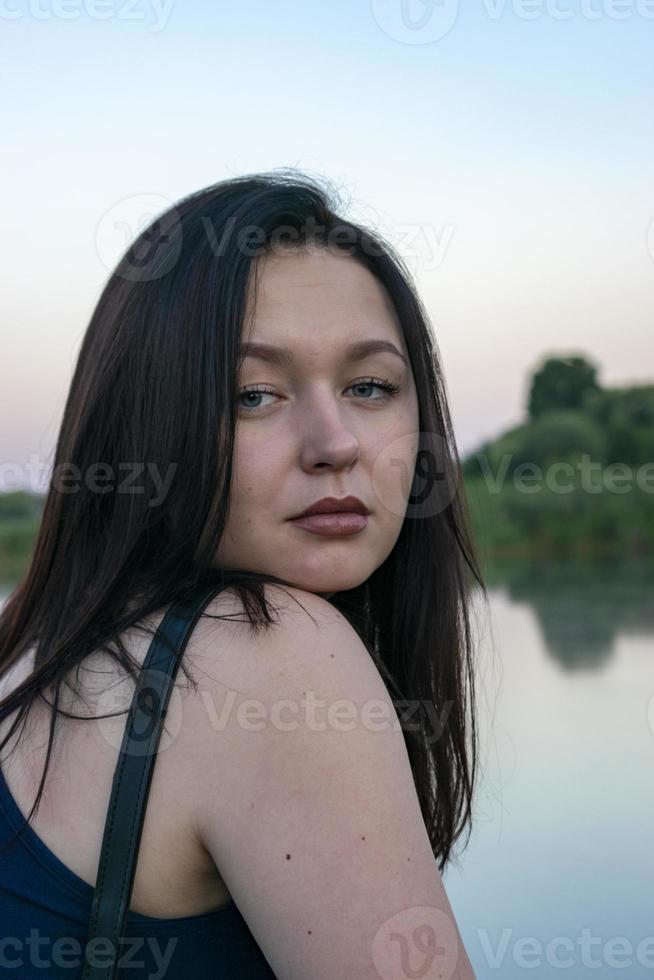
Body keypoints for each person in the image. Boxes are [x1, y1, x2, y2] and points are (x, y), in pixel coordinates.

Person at [0, 170, 484, 978]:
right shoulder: (272, 655)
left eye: (370, 386)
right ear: (145, 424)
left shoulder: (31, 646)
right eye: (254, 394)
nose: (335, 443)